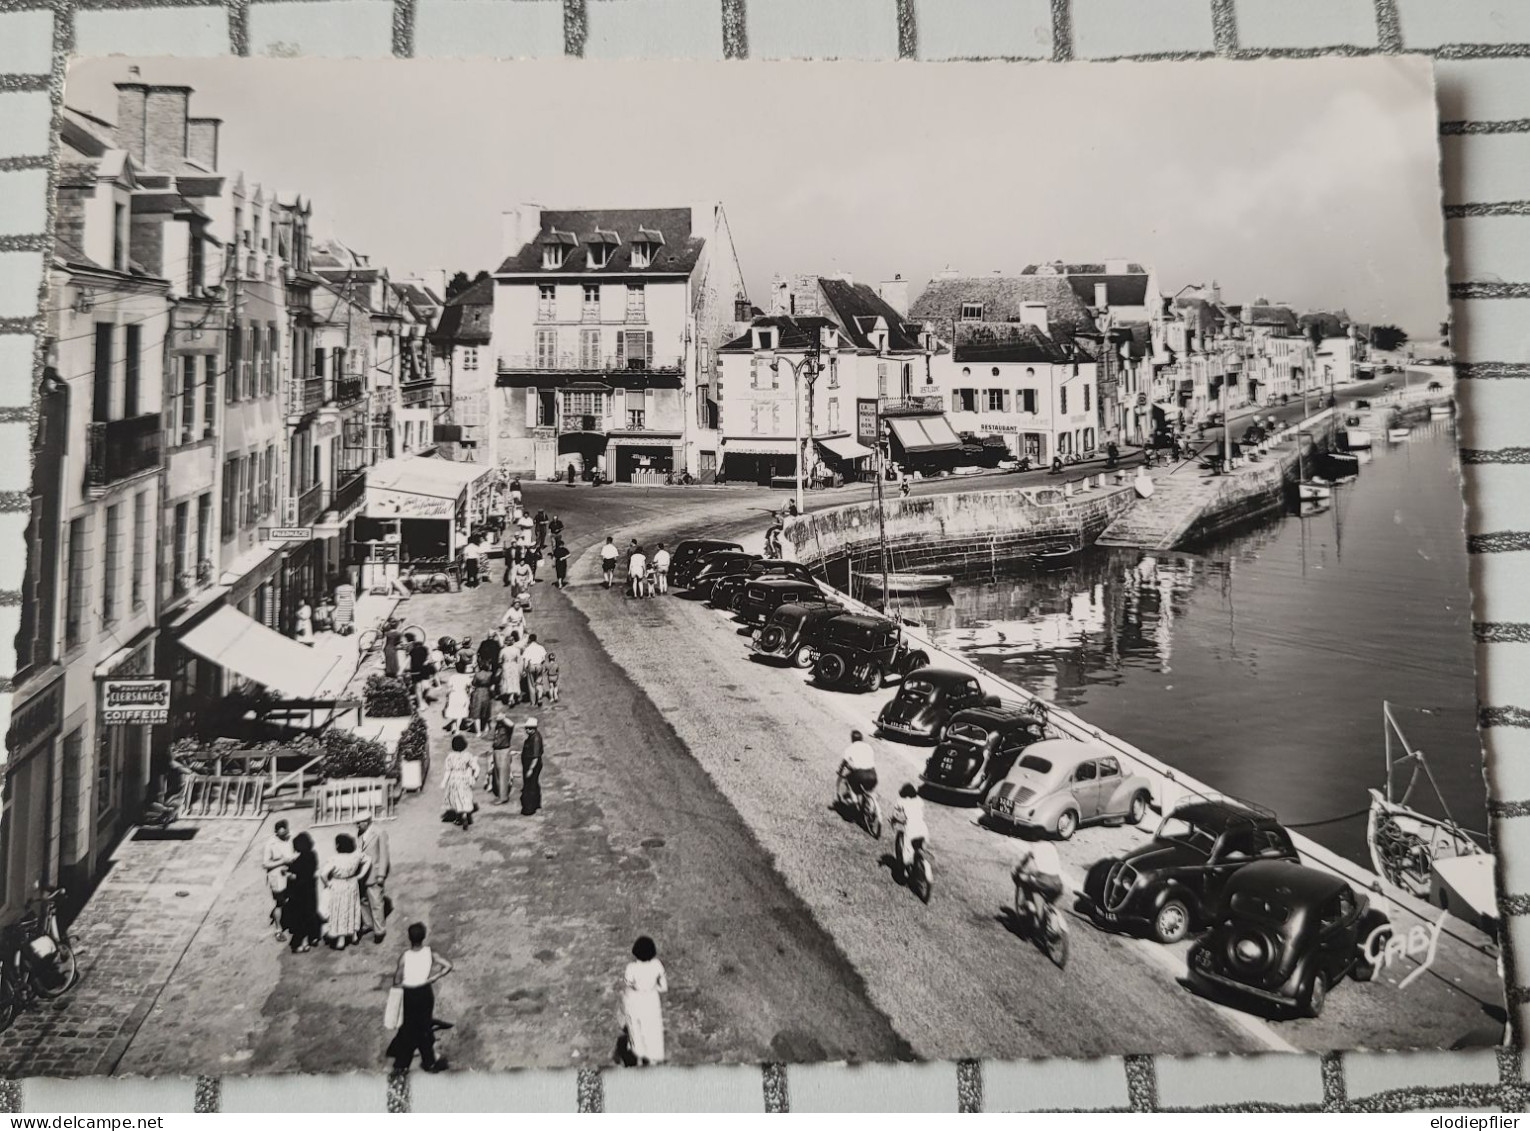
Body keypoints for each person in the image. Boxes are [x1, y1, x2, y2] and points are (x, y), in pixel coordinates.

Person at [387, 923, 453, 1074]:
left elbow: (397, 980)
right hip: (424, 991)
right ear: (424, 936)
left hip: (409, 994)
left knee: (408, 1027)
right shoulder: (430, 953)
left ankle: (401, 1064)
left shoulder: (405, 957)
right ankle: (429, 1062)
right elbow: (448, 966)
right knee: (424, 1026)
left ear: (409, 938)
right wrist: (433, 978)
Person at [621, 936, 669, 1066]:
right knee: (652, 1030)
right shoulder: (657, 965)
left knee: (636, 1030)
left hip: (636, 1001)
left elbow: (629, 986)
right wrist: (653, 988)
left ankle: (639, 1058)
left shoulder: (631, 967)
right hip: (652, 1001)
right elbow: (664, 988)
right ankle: (653, 1059)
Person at [322, 833, 371, 950]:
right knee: (352, 908)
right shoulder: (356, 855)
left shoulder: (334, 859)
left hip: (338, 885)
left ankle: (341, 939)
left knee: (340, 910)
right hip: (352, 884)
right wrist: (361, 875)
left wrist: (327, 884)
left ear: (338, 845)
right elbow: (368, 860)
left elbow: (323, 874)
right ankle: (354, 935)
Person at [1012, 836, 1067, 934]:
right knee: (1049, 901)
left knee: (1025, 880)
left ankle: (1030, 905)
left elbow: (1025, 862)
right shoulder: (1053, 847)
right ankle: (1049, 915)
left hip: (1044, 881)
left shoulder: (1035, 847)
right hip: (1058, 883)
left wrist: (1017, 869)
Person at [282, 832, 322, 954]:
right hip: (310, 890)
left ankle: (298, 944)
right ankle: (311, 939)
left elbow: (294, 875)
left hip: (299, 894)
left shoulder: (298, 861)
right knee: (310, 915)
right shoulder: (312, 855)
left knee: (299, 919)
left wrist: (288, 873)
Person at [358, 814, 391, 944]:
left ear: (367, 822)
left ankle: (379, 930)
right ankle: (368, 923)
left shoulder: (379, 833)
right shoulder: (360, 833)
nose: (357, 825)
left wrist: (381, 874)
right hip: (362, 873)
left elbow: (384, 855)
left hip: (374, 872)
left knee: (376, 902)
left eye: (359, 823)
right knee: (363, 900)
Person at [263, 819, 297, 940]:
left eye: (285, 833)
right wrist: (282, 861)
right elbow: (265, 864)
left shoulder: (291, 836)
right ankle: (278, 929)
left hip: (290, 873)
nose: (284, 836)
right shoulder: (270, 844)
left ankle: (293, 922)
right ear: (276, 832)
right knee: (280, 903)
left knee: (293, 898)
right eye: (281, 835)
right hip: (277, 877)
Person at [892, 783, 930, 876]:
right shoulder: (919, 801)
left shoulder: (901, 801)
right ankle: (920, 862)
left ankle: (905, 870)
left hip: (911, 829)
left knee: (907, 853)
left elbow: (895, 814)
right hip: (922, 827)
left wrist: (894, 820)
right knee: (920, 847)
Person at [443, 734, 479, 828]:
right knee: (466, 796)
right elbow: (474, 767)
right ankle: (468, 815)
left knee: (457, 798)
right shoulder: (468, 755)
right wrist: (475, 776)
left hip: (454, 779)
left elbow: (448, 770)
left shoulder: (450, 757)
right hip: (465, 779)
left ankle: (459, 817)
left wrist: (444, 782)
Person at [838, 729, 878, 800]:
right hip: (873, 774)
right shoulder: (868, 747)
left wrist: (840, 770)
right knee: (869, 789)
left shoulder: (850, 748)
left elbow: (844, 762)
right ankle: (873, 802)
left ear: (852, 739)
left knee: (849, 781)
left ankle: (854, 801)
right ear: (861, 738)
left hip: (860, 774)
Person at [490, 713, 516, 805]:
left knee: (503, 775)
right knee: (497, 774)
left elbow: (512, 724)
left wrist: (503, 718)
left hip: (503, 751)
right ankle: (500, 794)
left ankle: (503, 797)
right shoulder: (498, 727)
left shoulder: (507, 727)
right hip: (497, 750)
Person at [520, 717, 544, 816]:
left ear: (533, 729)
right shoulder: (533, 736)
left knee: (530, 786)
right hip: (529, 763)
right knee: (534, 784)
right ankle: (537, 803)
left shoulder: (535, 739)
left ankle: (530, 808)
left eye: (529, 728)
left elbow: (535, 757)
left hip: (532, 765)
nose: (526, 730)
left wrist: (530, 769)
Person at [443, 657, 472, 733]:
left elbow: (449, 688)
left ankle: (453, 726)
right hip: (461, 694)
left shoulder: (453, 677)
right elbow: (469, 687)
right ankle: (457, 729)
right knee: (460, 712)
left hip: (453, 694)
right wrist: (469, 694)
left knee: (454, 710)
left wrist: (447, 697)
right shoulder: (466, 677)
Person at [522, 635, 548, 706]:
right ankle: (539, 698)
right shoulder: (541, 647)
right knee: (539, 682)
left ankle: (533, 702)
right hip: (539, 665)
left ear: (530, 639)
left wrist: (525, 670)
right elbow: (543, 659)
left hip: (531, 666)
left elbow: (526, 661)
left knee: (531, 684)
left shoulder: (527, 649)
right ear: (536, 639)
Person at [469, 662, 495, 735]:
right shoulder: (490, 674)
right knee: (486, 711)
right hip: (487, 692)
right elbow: (492, 684)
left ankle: (478, 732)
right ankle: (486, 727)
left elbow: (473, 683)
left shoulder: (477, 674)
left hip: (478, 693)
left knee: (476, 712)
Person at [499, 632, 524, 706]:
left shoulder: (503, 650)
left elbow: (500, 660)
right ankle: (512, 696)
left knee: (507, 680)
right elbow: (519, 660)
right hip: (514, 665)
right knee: (514, 680)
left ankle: (510, 696)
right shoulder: (516, 650)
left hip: (506, 665)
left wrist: (502, 664)